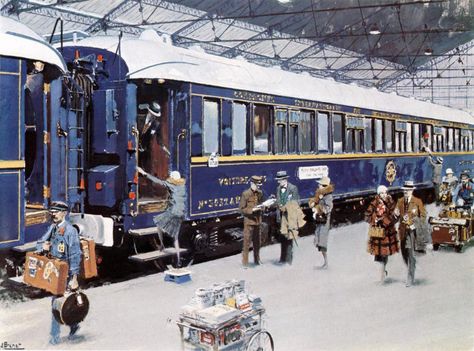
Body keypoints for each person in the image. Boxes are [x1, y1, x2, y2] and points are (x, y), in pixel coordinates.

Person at [35, 201, 82, 345]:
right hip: (56, 271)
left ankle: (54, 336)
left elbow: (75, 254)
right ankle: (73, 325)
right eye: (52, 211)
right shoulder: (53, 228)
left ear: (64, 213)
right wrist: (42, 247)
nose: (53, 214)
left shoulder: (70, 231)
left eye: (56, 211)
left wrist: (74, 278)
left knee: (58, 302)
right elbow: (40, 242)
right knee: (62, 302)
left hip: (67, 271)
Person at [137, 167, 186, 264]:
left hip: (173, 212)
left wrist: (144, 173)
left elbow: (158, 181)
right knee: (175, 238)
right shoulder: (182, 186)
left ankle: (162, 245)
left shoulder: (171, 185)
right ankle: (178, 260)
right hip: (181, 212)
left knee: (158, 223)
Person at [394, 181, 427, 287]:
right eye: (404, 190)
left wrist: (414, 222)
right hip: (403, 230)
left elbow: (423, 216)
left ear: (412, 190)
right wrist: (395, 214)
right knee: (404, 253)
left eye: (408, 190)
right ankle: (411, 267)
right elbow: (396, 216)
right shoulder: (400, 201)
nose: (406, 192)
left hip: (412, 231)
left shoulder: (417, 201)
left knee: (410, 253)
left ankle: (410, 277)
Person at [364, 185, 399, 283]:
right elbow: (367, 216)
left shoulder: (391, 203)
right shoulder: (374, 203)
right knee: (379, 254)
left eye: (385, 193)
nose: (384, 195)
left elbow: (395, 216)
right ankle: (382, 273)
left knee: (385, 254)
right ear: (378, 194)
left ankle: (383, 272)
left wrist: (384, 222)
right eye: (381, 193)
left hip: (388, 232)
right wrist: (374, 220)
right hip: (377, 233)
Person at [275, 170, 303, 265]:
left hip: (290, 216)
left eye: (280, 180)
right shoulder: (278, 188)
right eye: (278, 180)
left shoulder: (293, 188)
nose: (279, 182)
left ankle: (289, 260)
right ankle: (282, 258)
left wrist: (286, 207)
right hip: (282, 216)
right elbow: (278, 201)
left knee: (290, 238)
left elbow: (296, 202)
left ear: (285, 179)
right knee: (282, 237)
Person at [239, 175, 264, 268]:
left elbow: (261, 203)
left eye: (259, 185)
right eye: (257, 185)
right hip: (249, 222)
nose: (258, 187)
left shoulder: (260, 193)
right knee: (246, 243)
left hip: (257, 221)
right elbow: (241, 209)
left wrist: (263, 206)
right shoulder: (245, 194)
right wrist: (251, 210)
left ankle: (257, 260)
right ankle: (245, 263)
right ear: (252, 184)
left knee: (257, 243)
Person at [310, 176, 334, 269]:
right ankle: (325, 262)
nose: (318, 185)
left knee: (322, 242)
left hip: (324, 221)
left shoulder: (328, 196)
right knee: (319, 241)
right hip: (319, 220)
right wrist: (312, 203)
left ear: (324, 186)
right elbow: (315, 201)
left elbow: (328, 208)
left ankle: (326, 263)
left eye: (319, 184)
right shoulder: (320, 194)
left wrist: (317, 209)